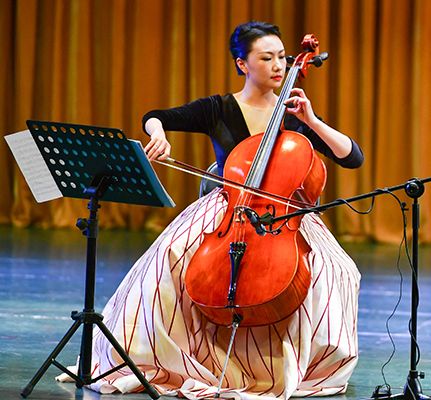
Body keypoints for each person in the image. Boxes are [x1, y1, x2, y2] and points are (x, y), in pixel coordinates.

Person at [86, 21, 364, 399]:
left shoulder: (295, 118)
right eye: (266, 58)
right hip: (226, 211)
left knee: (340, 271)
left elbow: (353, 158)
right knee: (168, 260)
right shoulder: (219, 108)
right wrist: (158, 134)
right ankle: (174, 357)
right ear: (242, 64)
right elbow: (156, 115)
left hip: (283, 216)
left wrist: (311, 120)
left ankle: (289, 365)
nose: (279, 65)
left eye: (283, 57)